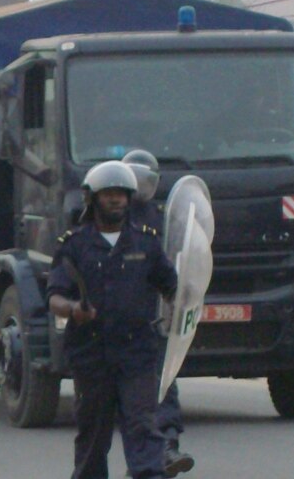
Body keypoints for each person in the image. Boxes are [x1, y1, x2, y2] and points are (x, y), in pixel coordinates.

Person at [47, 161, 177, 479]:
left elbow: (173, 287)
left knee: (143, 425)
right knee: (93, 434)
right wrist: (74, 309)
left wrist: (187, 302)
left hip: (138, 353)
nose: (116, 200)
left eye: (121, 194)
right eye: (109, 194)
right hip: (91, 354)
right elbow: (54, 298)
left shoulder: (146, 242)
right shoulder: (73, 245)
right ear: (93, 199)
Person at [123, 149, 195, 478]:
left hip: (155, 317)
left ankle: (168, 446)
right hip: (119, 322)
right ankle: (140, 460)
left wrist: (180, 296)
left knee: (164, 384)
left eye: (146, 180)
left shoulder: (162, 218)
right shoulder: (108, 219)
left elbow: (178, 258)